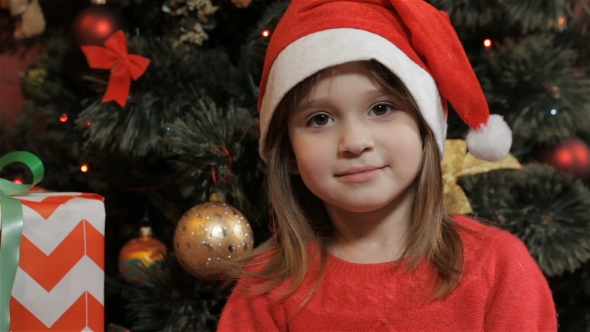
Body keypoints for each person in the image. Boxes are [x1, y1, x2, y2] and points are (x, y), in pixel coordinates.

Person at [217, 0, 558, 331]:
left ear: (426, 127)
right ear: (289, 152)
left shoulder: (500, 268)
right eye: (319, 118)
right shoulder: (266, 289)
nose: (354, 141)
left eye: (381, 108)